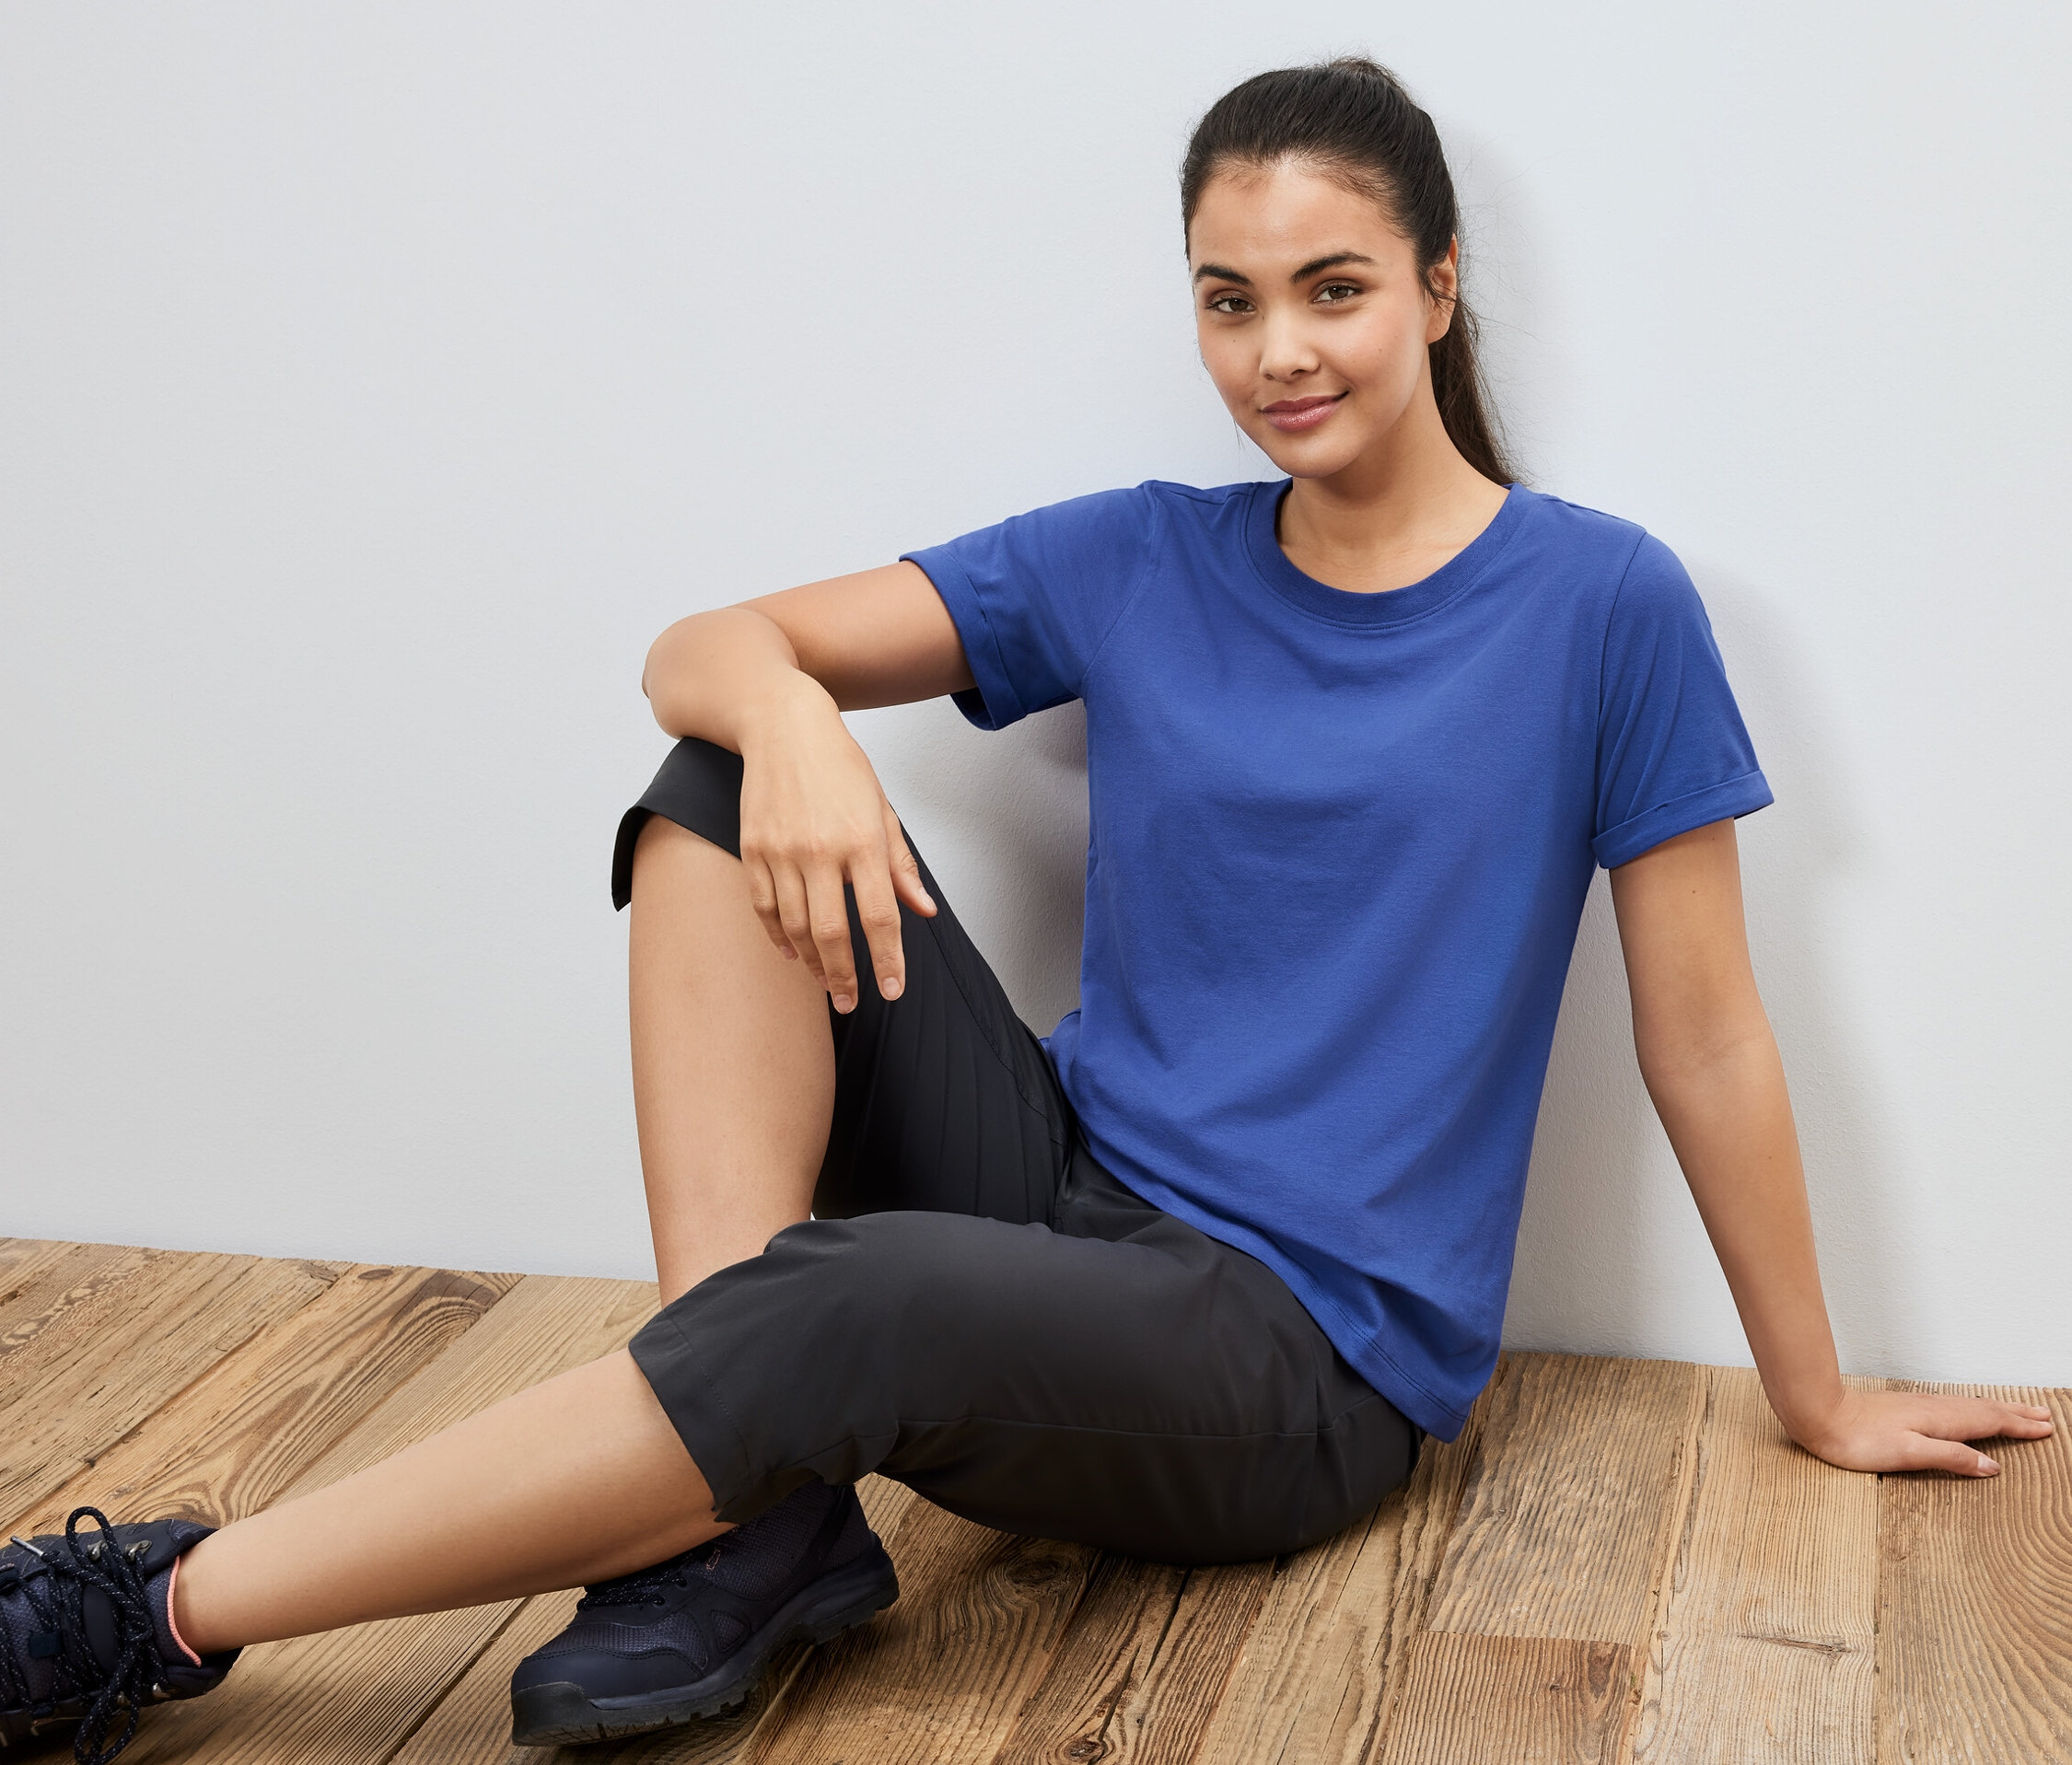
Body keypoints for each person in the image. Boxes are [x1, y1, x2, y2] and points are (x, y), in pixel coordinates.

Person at [3, 55, 2051, 1765]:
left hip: (1297, 1356)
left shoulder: (1607, 605)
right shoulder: (1140, 553)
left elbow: (1706, 1031)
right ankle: (765, 1511)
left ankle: (155, 1604)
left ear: (1437, 285)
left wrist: (1818, 1387)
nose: (1280, 350)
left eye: (1331, 286)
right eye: (1227, 299)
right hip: (1071, 1181)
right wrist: (797, 724)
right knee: (714, 787)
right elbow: (702, 645)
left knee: (854, 1292)